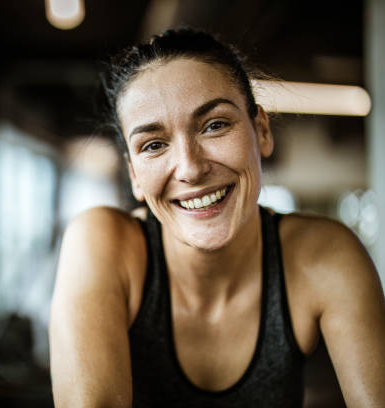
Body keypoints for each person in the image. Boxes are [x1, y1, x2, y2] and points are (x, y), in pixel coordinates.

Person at [49, 28, 385, 407]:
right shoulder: (104, 243)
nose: (190, 169)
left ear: (261, 131)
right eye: (154, 145)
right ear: (134, 176)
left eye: (215, 125)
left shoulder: (324, 255)